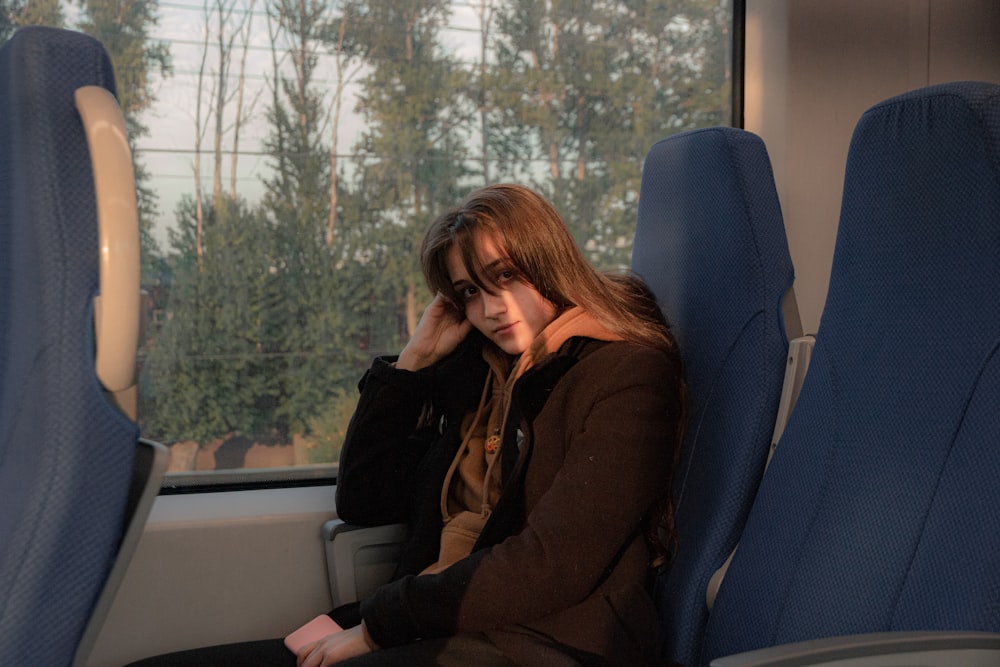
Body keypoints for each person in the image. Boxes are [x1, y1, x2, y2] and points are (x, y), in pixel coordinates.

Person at [129, 184, 685, 667]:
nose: (490, 308)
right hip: (435, 622)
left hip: (546, 644)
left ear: (547, 262)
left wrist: (380, 627)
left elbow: (550, 565)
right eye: (470, 292)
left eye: (505, 276)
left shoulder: (624, 373)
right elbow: (364, 500)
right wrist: (413, 365)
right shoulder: (481, 372)